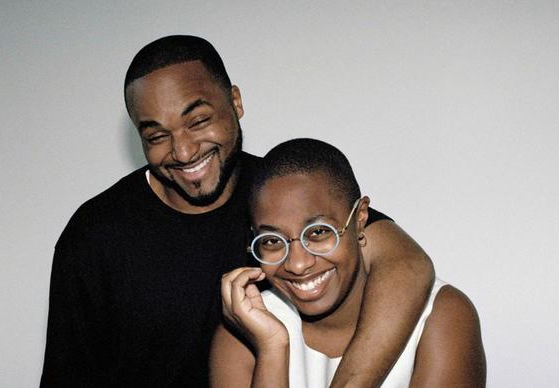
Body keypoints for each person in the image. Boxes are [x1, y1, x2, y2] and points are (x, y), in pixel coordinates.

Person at [41, 35, 435, 387]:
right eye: (157, 136)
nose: (182, 151)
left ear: (236, 102)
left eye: (197, 121)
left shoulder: (276, 196)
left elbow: (407, 263)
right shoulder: (94, 236)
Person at [211, 138, 486, 387]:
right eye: (272, 241)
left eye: (318, 233)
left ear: (360, 218)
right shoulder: (245, 331)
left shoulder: (442, 316)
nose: (296, 264)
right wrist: (272, 349)